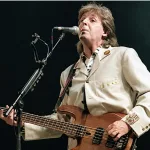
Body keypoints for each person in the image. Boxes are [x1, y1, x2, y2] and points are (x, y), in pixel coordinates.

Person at [1, 2, 150, 150]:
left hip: (116, 143)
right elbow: (61, 122)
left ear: (105, 31)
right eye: (81, 21)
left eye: (92, 20)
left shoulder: (122, 56)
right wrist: (21, 121)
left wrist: (128, 123)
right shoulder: (68, 74)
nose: (84, 22)